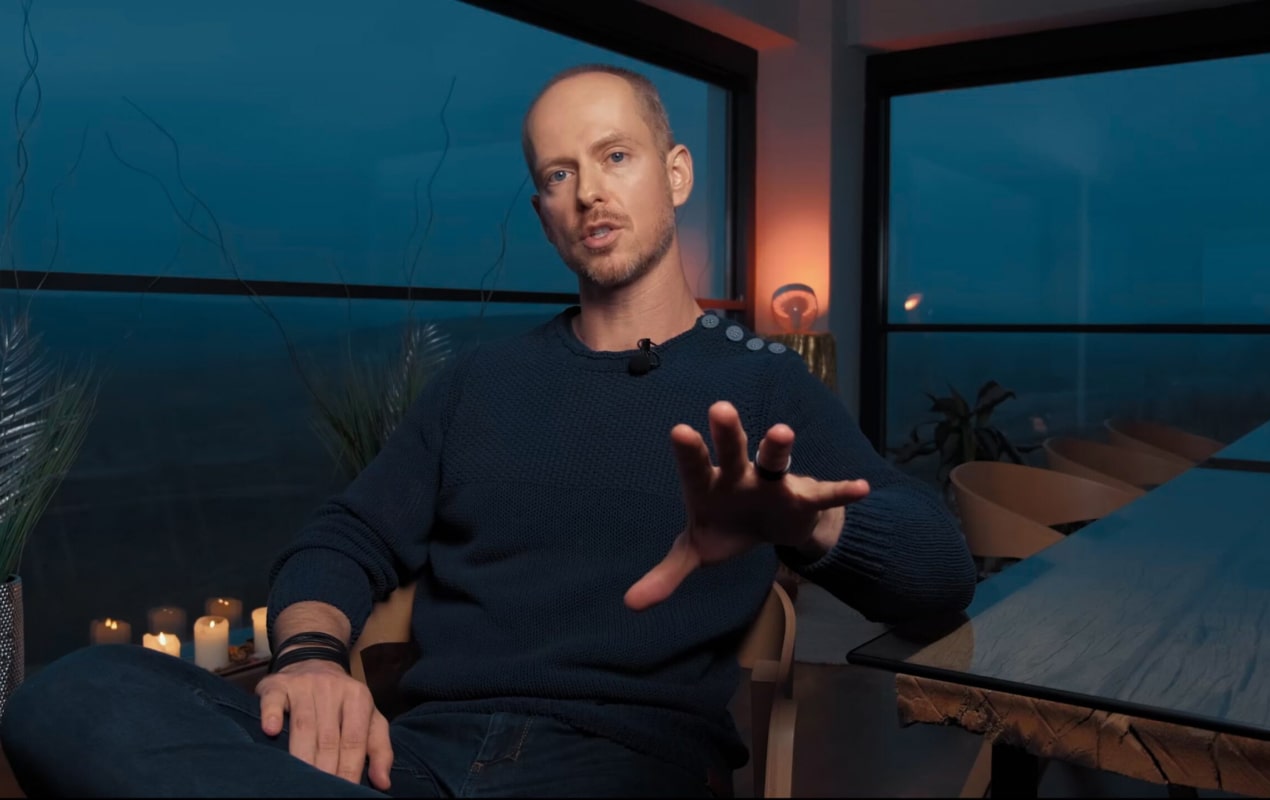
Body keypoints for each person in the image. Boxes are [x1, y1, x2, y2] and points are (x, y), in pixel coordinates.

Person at [1, 63, 975, 798]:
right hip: (415, 755)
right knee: (72, 695)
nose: (588, 191)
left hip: (619, 764)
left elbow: (939, 577)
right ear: (543, 211)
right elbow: (343, 537)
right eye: (558, 173)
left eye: (615, 156)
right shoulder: (482, 384)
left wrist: (808, 523)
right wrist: (312, 662)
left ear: (675, 173)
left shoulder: (758, 385)